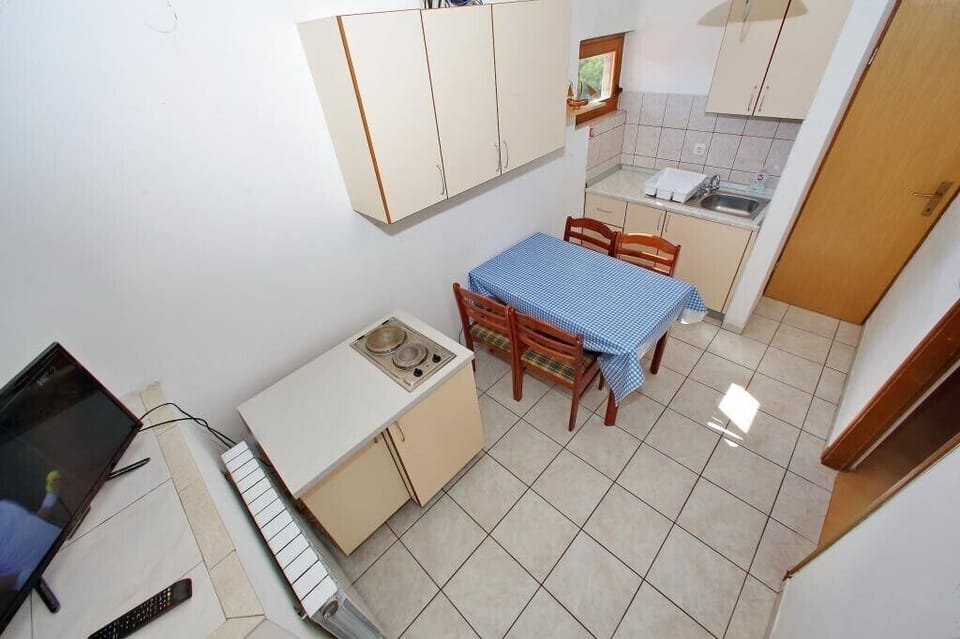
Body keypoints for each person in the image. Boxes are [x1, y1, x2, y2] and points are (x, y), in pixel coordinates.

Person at [0, 500, 61, 592]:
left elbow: (33, 522)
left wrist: (51, 497)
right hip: (49, 578)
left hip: (65, 541)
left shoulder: (4, 505)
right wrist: (26, 577)